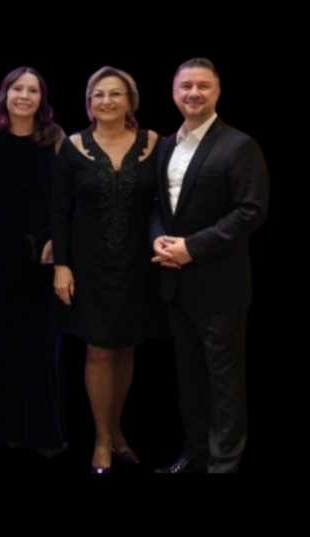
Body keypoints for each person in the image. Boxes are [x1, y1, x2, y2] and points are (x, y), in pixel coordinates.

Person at [152, 58, 269, 474]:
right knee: (191, 380)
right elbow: (157, 205)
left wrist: (192, 248)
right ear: (174, 92)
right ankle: (195, 454)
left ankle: (224, 464)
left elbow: (251, 211)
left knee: (224, 382)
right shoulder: (166, 145)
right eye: (186, 86)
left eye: (203, 85)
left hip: (220, 285)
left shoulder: (239, 145)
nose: (194, 93)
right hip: (175, 285)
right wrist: (157, 239)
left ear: (217, 92)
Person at [50, 66, 162, 473]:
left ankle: (117, 430)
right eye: (98, 94)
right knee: (98, 349)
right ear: (88, 103)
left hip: (138, 263)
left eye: (115, 94)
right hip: (89, 264)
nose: (106, 101)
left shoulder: (155, 143)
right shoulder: (73, 146)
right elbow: (58, 210)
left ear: (131, 101)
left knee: (126, 347)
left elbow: (164, 203)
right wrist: (61, 266)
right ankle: (100, 438)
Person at [0, 67, 68, 458]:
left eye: (32, 90)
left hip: (41, 250)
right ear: (6, 95)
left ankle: (45, 432)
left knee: (41, 340)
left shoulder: (55, 138)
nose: (24, 96)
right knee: (4, 339)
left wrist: (56, 241)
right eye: (17, 88)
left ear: (41, 99)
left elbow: (63, 198)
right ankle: (8, 428)